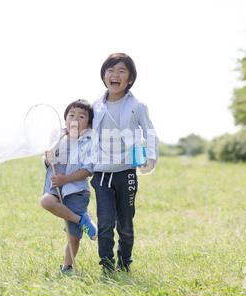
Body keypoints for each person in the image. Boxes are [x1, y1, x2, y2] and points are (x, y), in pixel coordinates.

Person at [90, 53, 159, 274]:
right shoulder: (95, 106)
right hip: (101, 173)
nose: (115, 75)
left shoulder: (137, 106)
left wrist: (151, 157)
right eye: (110, 70)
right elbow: (84, 132)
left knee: (126, 224)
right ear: (103, 76)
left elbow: (149, 132)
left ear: (130, 79)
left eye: (121, 71)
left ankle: (124, 262)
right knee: (105, 222)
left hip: (126, 171)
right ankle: (107, 266)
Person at [40, 99, 97, 275]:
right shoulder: (58, 137)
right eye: (71, 115)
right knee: (46, 202)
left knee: (73, 236)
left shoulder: (89, 140)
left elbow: (88, 170)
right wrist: (47, 159)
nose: (75, 119)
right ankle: (82, 220)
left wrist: (66, 180)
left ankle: (67, 267)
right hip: (55, 186)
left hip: (76, 190)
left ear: (88, 122)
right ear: (65, 119)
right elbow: (48, 160)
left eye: (81, 116)